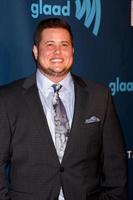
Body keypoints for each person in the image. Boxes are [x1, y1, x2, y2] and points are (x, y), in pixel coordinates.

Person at [0, 18, 128, 200]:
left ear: (73, 51)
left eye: (64, 44)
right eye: (49, 44)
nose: (58, 52)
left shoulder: (100, 97)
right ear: (36, 51)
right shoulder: (7, 98)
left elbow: (116, 165)